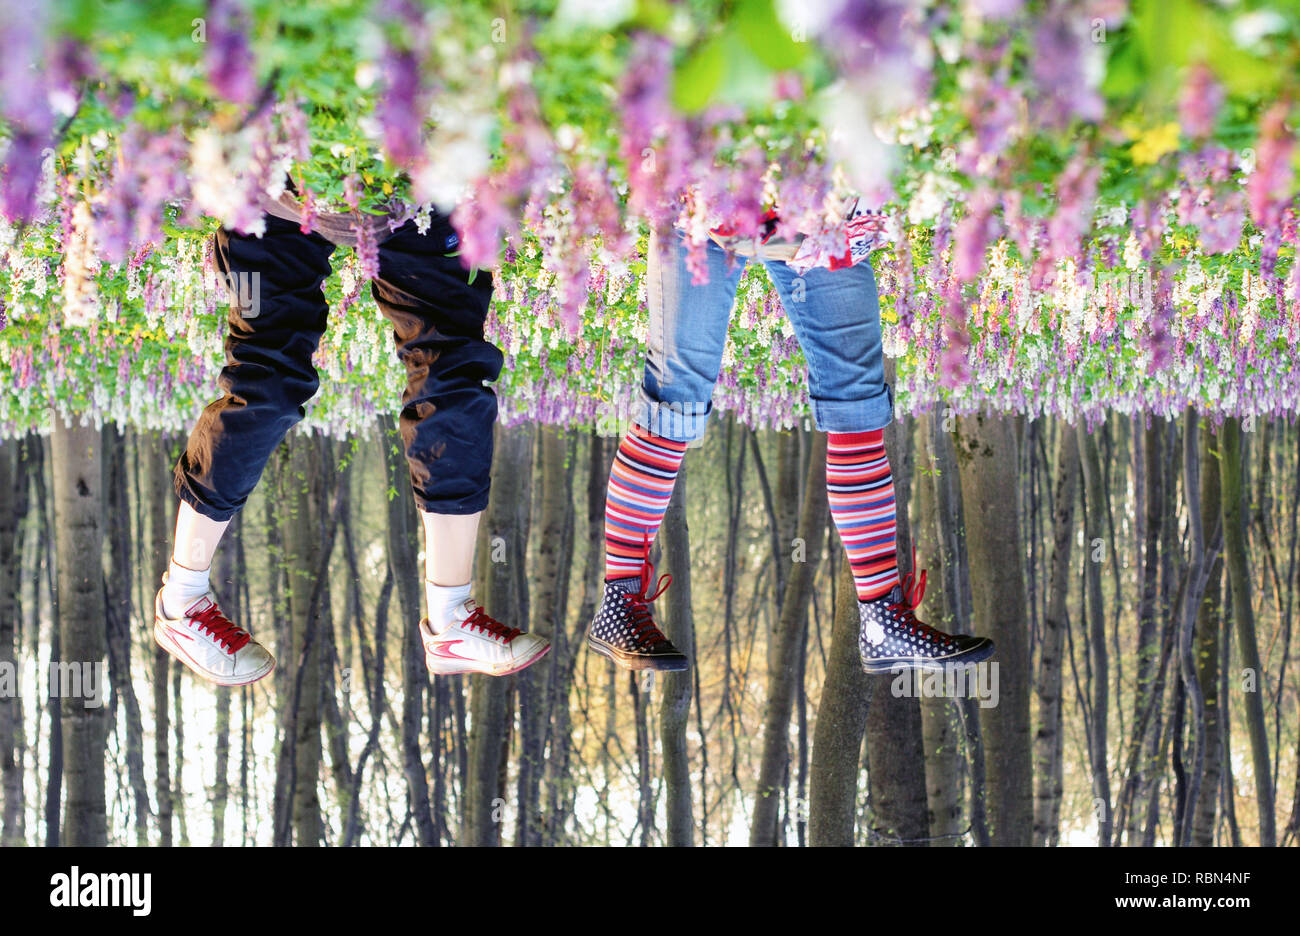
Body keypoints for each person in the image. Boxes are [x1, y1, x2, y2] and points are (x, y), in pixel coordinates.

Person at [154, 188, 549, 686]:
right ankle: (182, 600)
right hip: (269, 205)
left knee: (452, 374)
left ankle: (451, 618)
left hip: (412, 201)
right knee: (266, 381)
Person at [588, 200, 995, 674]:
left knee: (857, 403)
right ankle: (618, 603)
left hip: (819, 216)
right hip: (711, 188)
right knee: (674, 399)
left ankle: (884, 622)